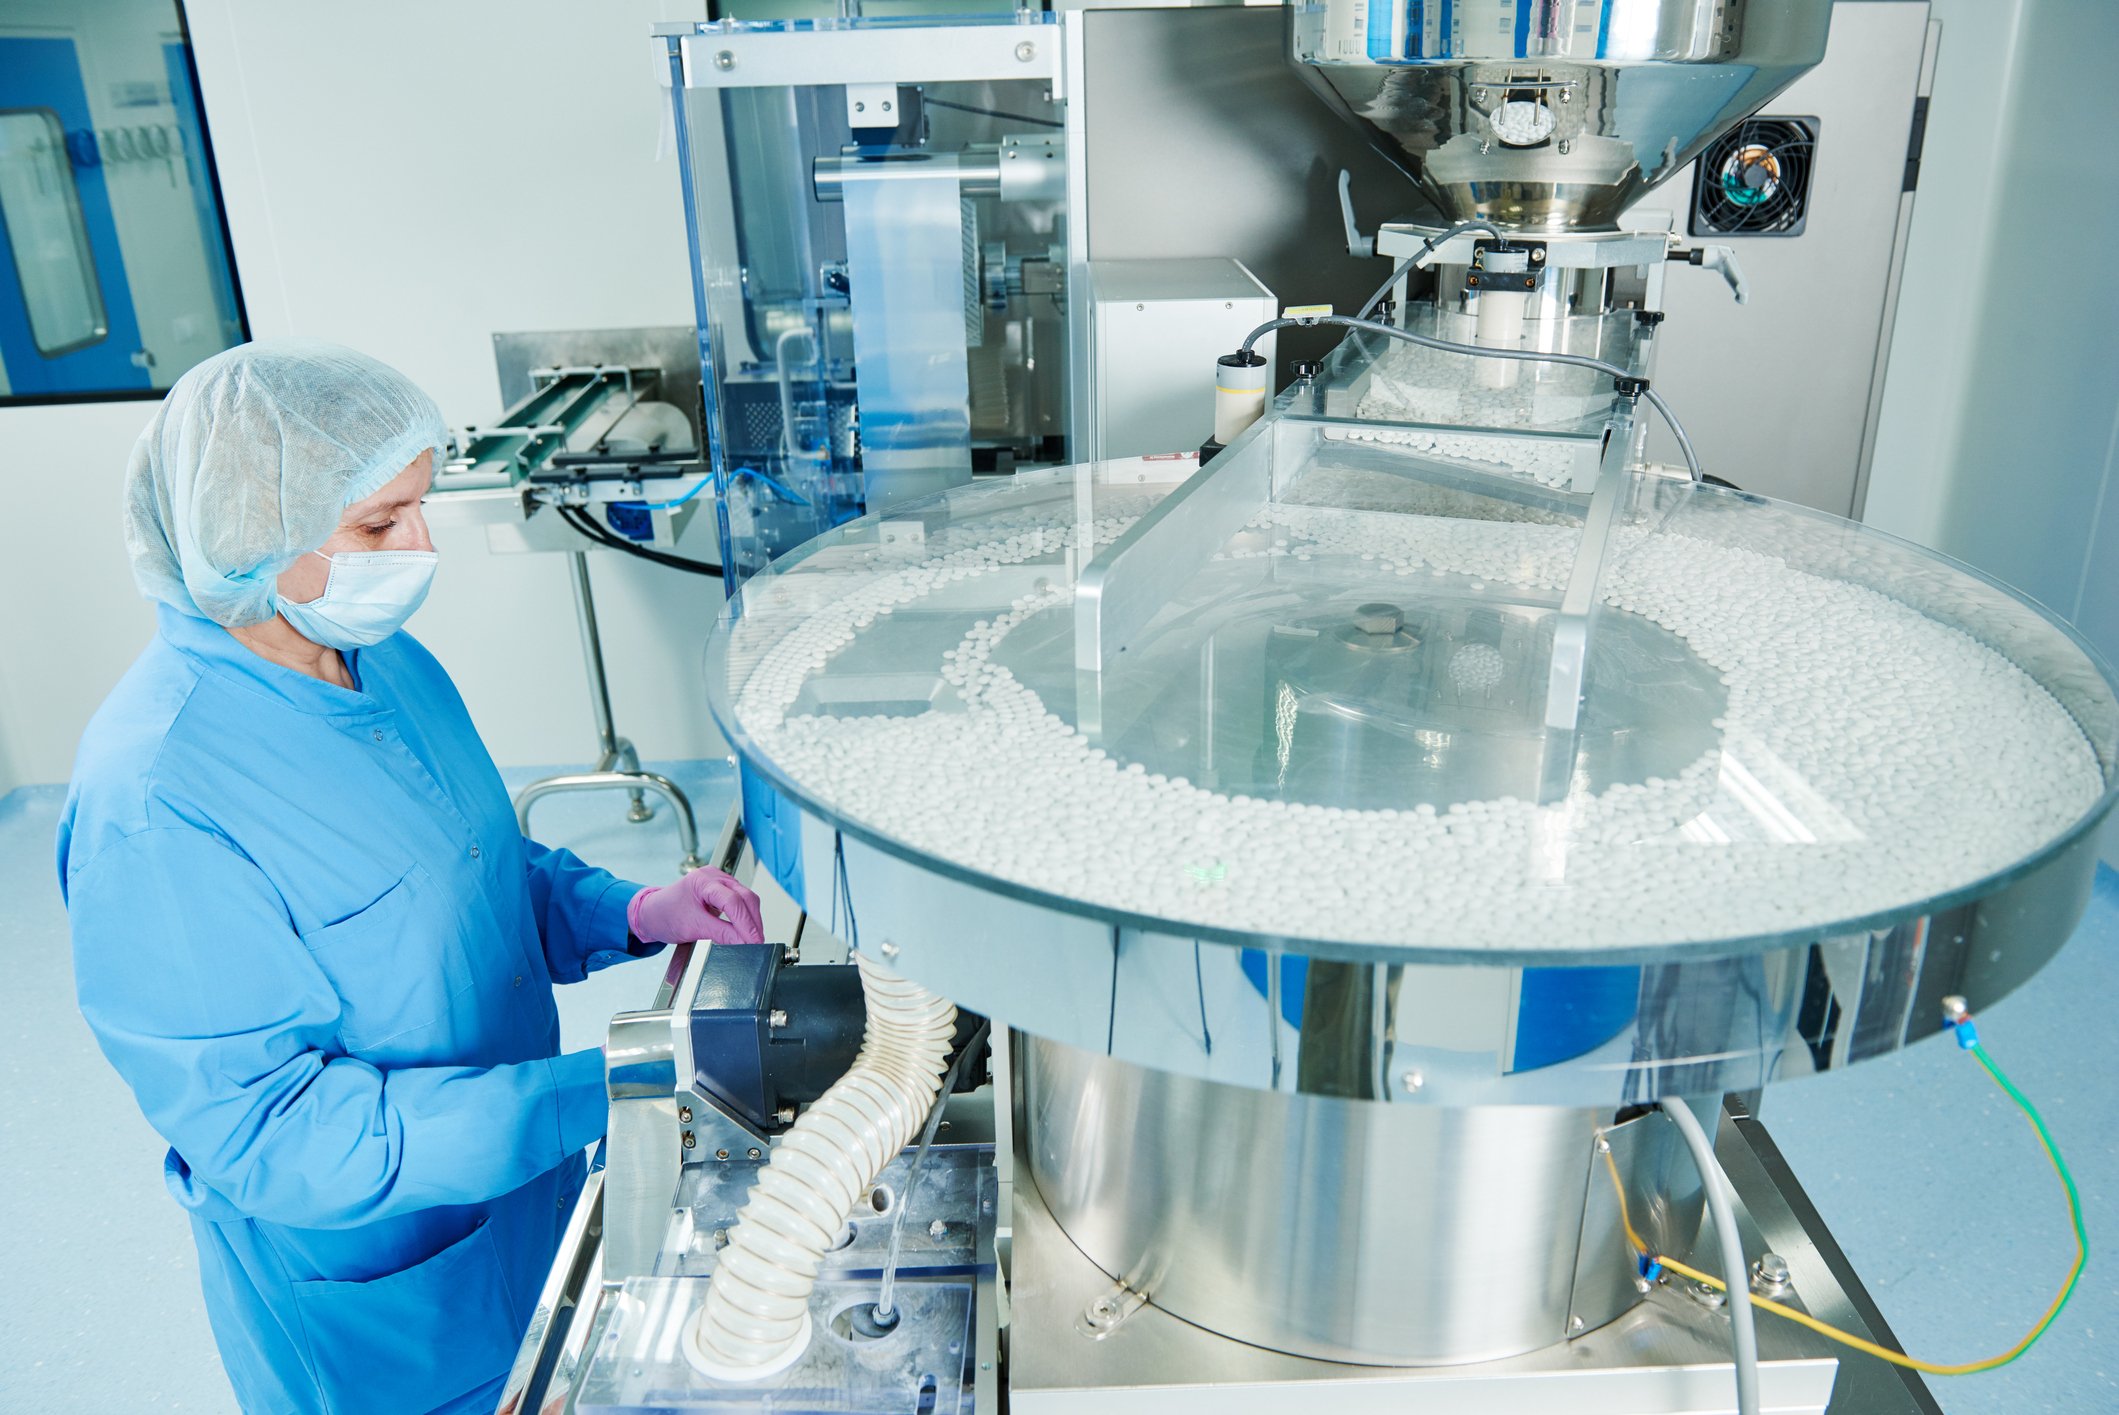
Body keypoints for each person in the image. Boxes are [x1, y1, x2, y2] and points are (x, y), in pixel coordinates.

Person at [56, 340, 764, 1415]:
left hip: (518, 1199)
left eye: (419, 506)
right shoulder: (159, 801)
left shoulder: (378, 662)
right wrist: (606, 1088)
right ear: (251, 529)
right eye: (381, 523)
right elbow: (274, 1133)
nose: (421, 546)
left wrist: (626, 909)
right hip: (385, 1294)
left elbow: (467, 865)